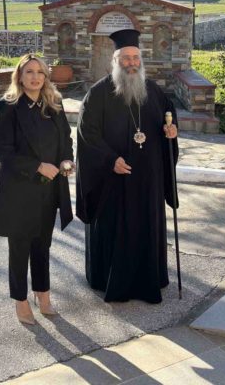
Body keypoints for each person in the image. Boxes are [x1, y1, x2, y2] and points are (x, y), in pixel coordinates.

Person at [76, 29, 178, 304]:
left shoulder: (154, 91)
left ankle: (149, 279)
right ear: (115, 61)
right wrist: (110, 160)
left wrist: (171, 131)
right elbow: (87, 135)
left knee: (146, 227)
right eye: (126, 58)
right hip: (113, 181)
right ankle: (110, 279)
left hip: (148, 180)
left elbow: (168, 118)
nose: (131, 63)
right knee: (115, 228)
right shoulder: (98, 94)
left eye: (135, 58)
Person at [0, 53, 75, 325]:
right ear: (19, 76)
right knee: (20, 248)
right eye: (29, 71)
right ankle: (20, 299)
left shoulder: (54, 105)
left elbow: (66, 139)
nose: (35, 77)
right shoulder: (7, 107)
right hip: (18, 191)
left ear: (46, 77)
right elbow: (3, 152)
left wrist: (66, 160)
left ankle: (43, 293)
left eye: (40, 72)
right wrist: (38, 166)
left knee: (42, 245)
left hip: (48, 190)